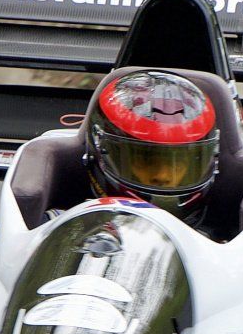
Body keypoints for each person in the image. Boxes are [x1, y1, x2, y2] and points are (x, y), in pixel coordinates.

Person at [82, 69, 220, 229]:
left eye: (178, 162)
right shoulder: (60, 227)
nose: (163, 176)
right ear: (100, 151)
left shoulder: (232, 240)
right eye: (146, 159)